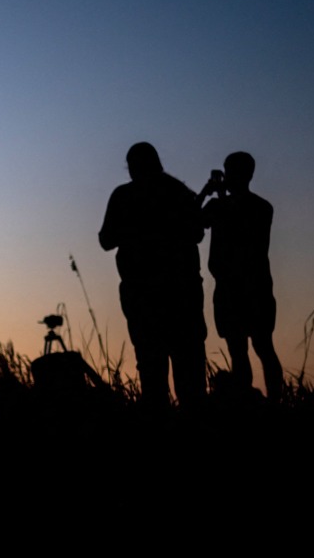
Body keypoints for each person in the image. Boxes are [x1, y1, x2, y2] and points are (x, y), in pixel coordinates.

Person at [99, 142, 207, 408]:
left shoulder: (124, 196)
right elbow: (197, 232)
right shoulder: (178, 193)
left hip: (143, 295)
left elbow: (106, 240)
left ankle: (157, 428)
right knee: (188, 364)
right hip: (181, 292)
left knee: (151, 365)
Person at [198, 152, 284, 402]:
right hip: (230, 288)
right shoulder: (223, 205)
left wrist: (216, 194)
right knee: (240, 349)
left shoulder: (260, 207)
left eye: (231, 171)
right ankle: (245, 401)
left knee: (262, 347)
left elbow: (234, 221)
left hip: (252, 287)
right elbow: (191, 222)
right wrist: (206, 192)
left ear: (246, 174)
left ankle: (273, 402)